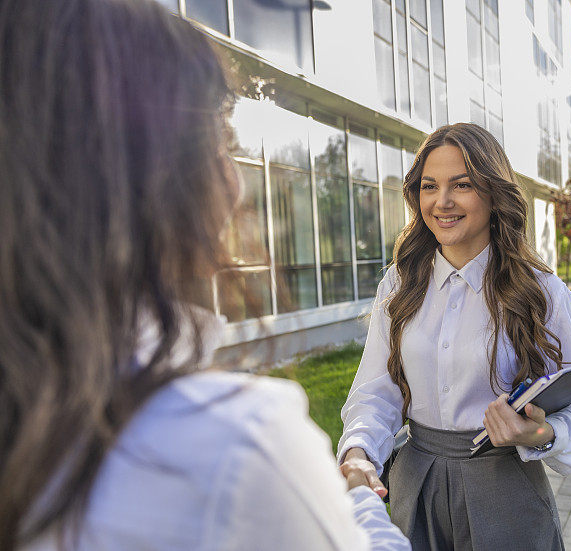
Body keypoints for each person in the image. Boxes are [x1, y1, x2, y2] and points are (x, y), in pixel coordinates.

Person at [0, 0, 409, 549]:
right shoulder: (237, 450)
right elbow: (376, 387)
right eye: (225, 144)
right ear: (155, 177)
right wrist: (358, 494)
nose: (236, 185)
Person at [337, 123, 571, 550]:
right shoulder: (399, 283)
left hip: (508, 493)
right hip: (415, 488)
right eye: (430, 186)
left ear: (492, 192)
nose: (442, 202)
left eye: (461, 185)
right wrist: (359, 453)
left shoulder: (542, 293)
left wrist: (535, 435)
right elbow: (377, 391)